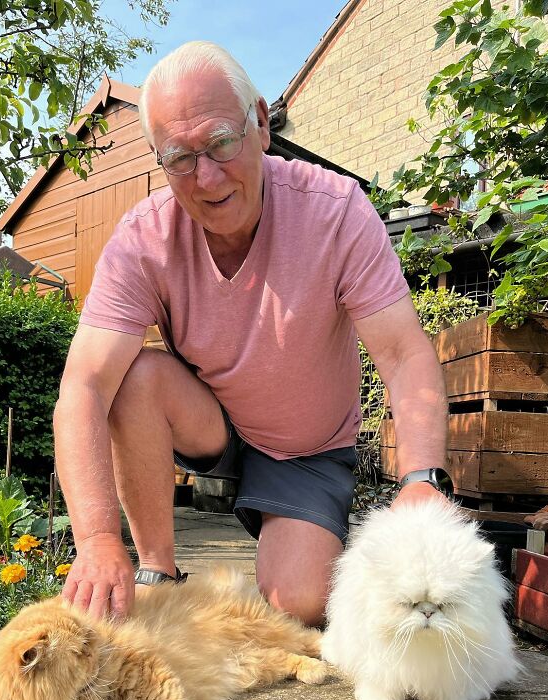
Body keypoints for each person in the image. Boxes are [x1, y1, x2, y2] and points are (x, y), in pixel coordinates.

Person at [55, 41, 449, 627]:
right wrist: (97, 541)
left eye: (219, 143)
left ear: (261, 123)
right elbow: (83, 387)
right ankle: (157, 571)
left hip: (307, 451)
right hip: (214, 425)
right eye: (179, 157)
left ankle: (301, 527)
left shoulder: (335, 212)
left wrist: (422, 481)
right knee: (133, 377)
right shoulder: (143, 240)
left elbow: (402, 353)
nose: (206, 177)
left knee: (302, 603)